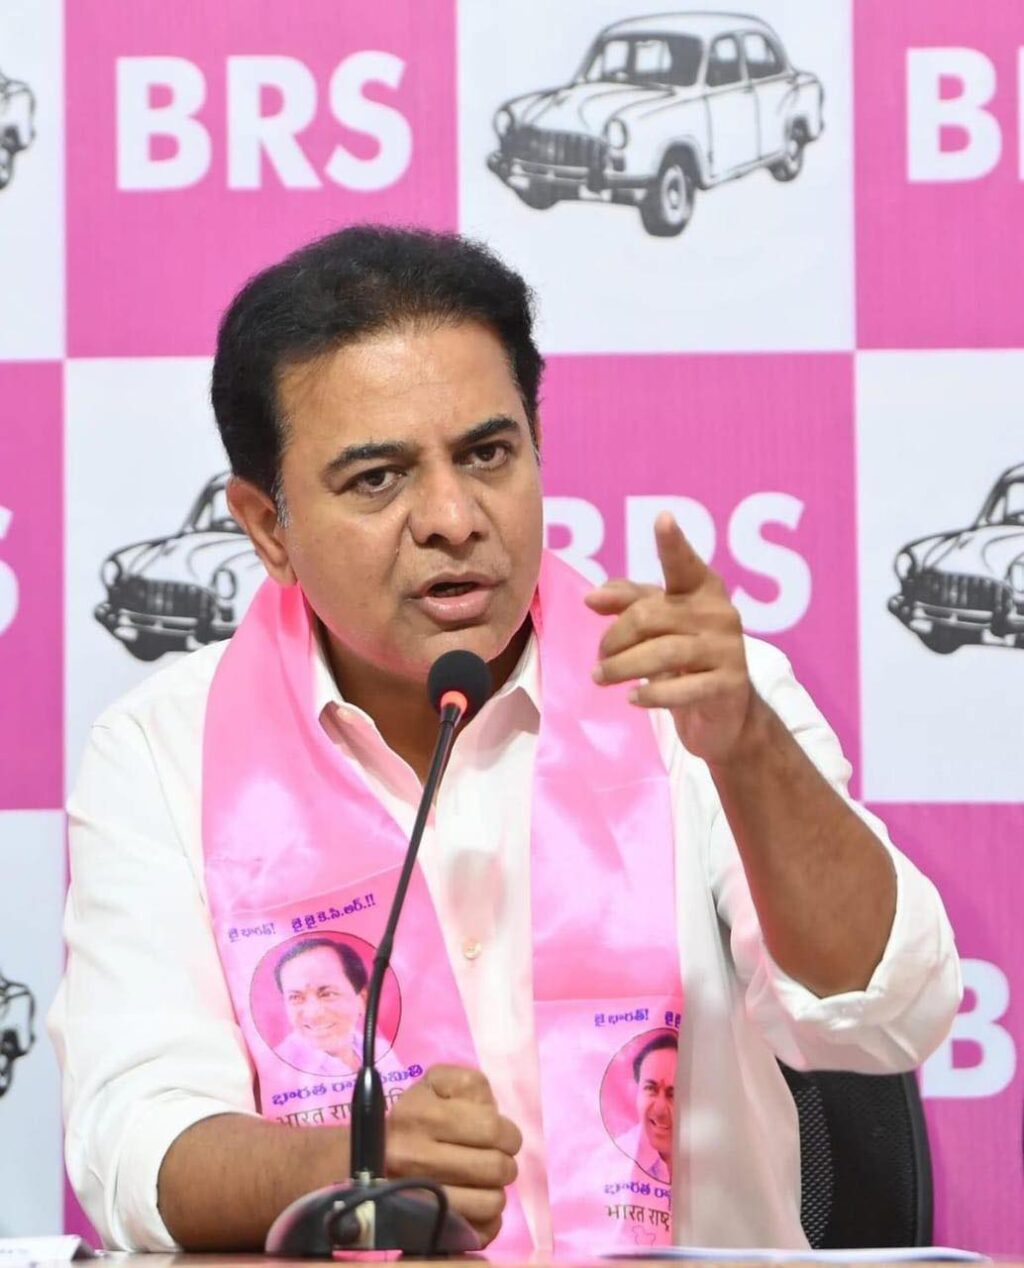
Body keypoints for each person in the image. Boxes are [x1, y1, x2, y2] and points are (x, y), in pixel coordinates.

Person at [49, 225, 961, 1255]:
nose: (452, 516)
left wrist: (750, 750)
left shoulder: (694, 689)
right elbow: (138, 1138)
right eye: (378, 478)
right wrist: (353, 1167)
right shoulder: (164, 750)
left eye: (487, 454)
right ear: (268, 526)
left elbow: (889, 1015)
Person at [272, 938, 367, 1075]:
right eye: (295, 997)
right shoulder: (277, 1069)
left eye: (327, 994)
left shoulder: (380, 1050)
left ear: (362, 1000)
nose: (313, 1014)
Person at [615, 1033, 677, 1183]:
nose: (660, 1110)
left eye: (673, 1094)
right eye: (651, 1089)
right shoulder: (612, 1163)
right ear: (636, 1092)